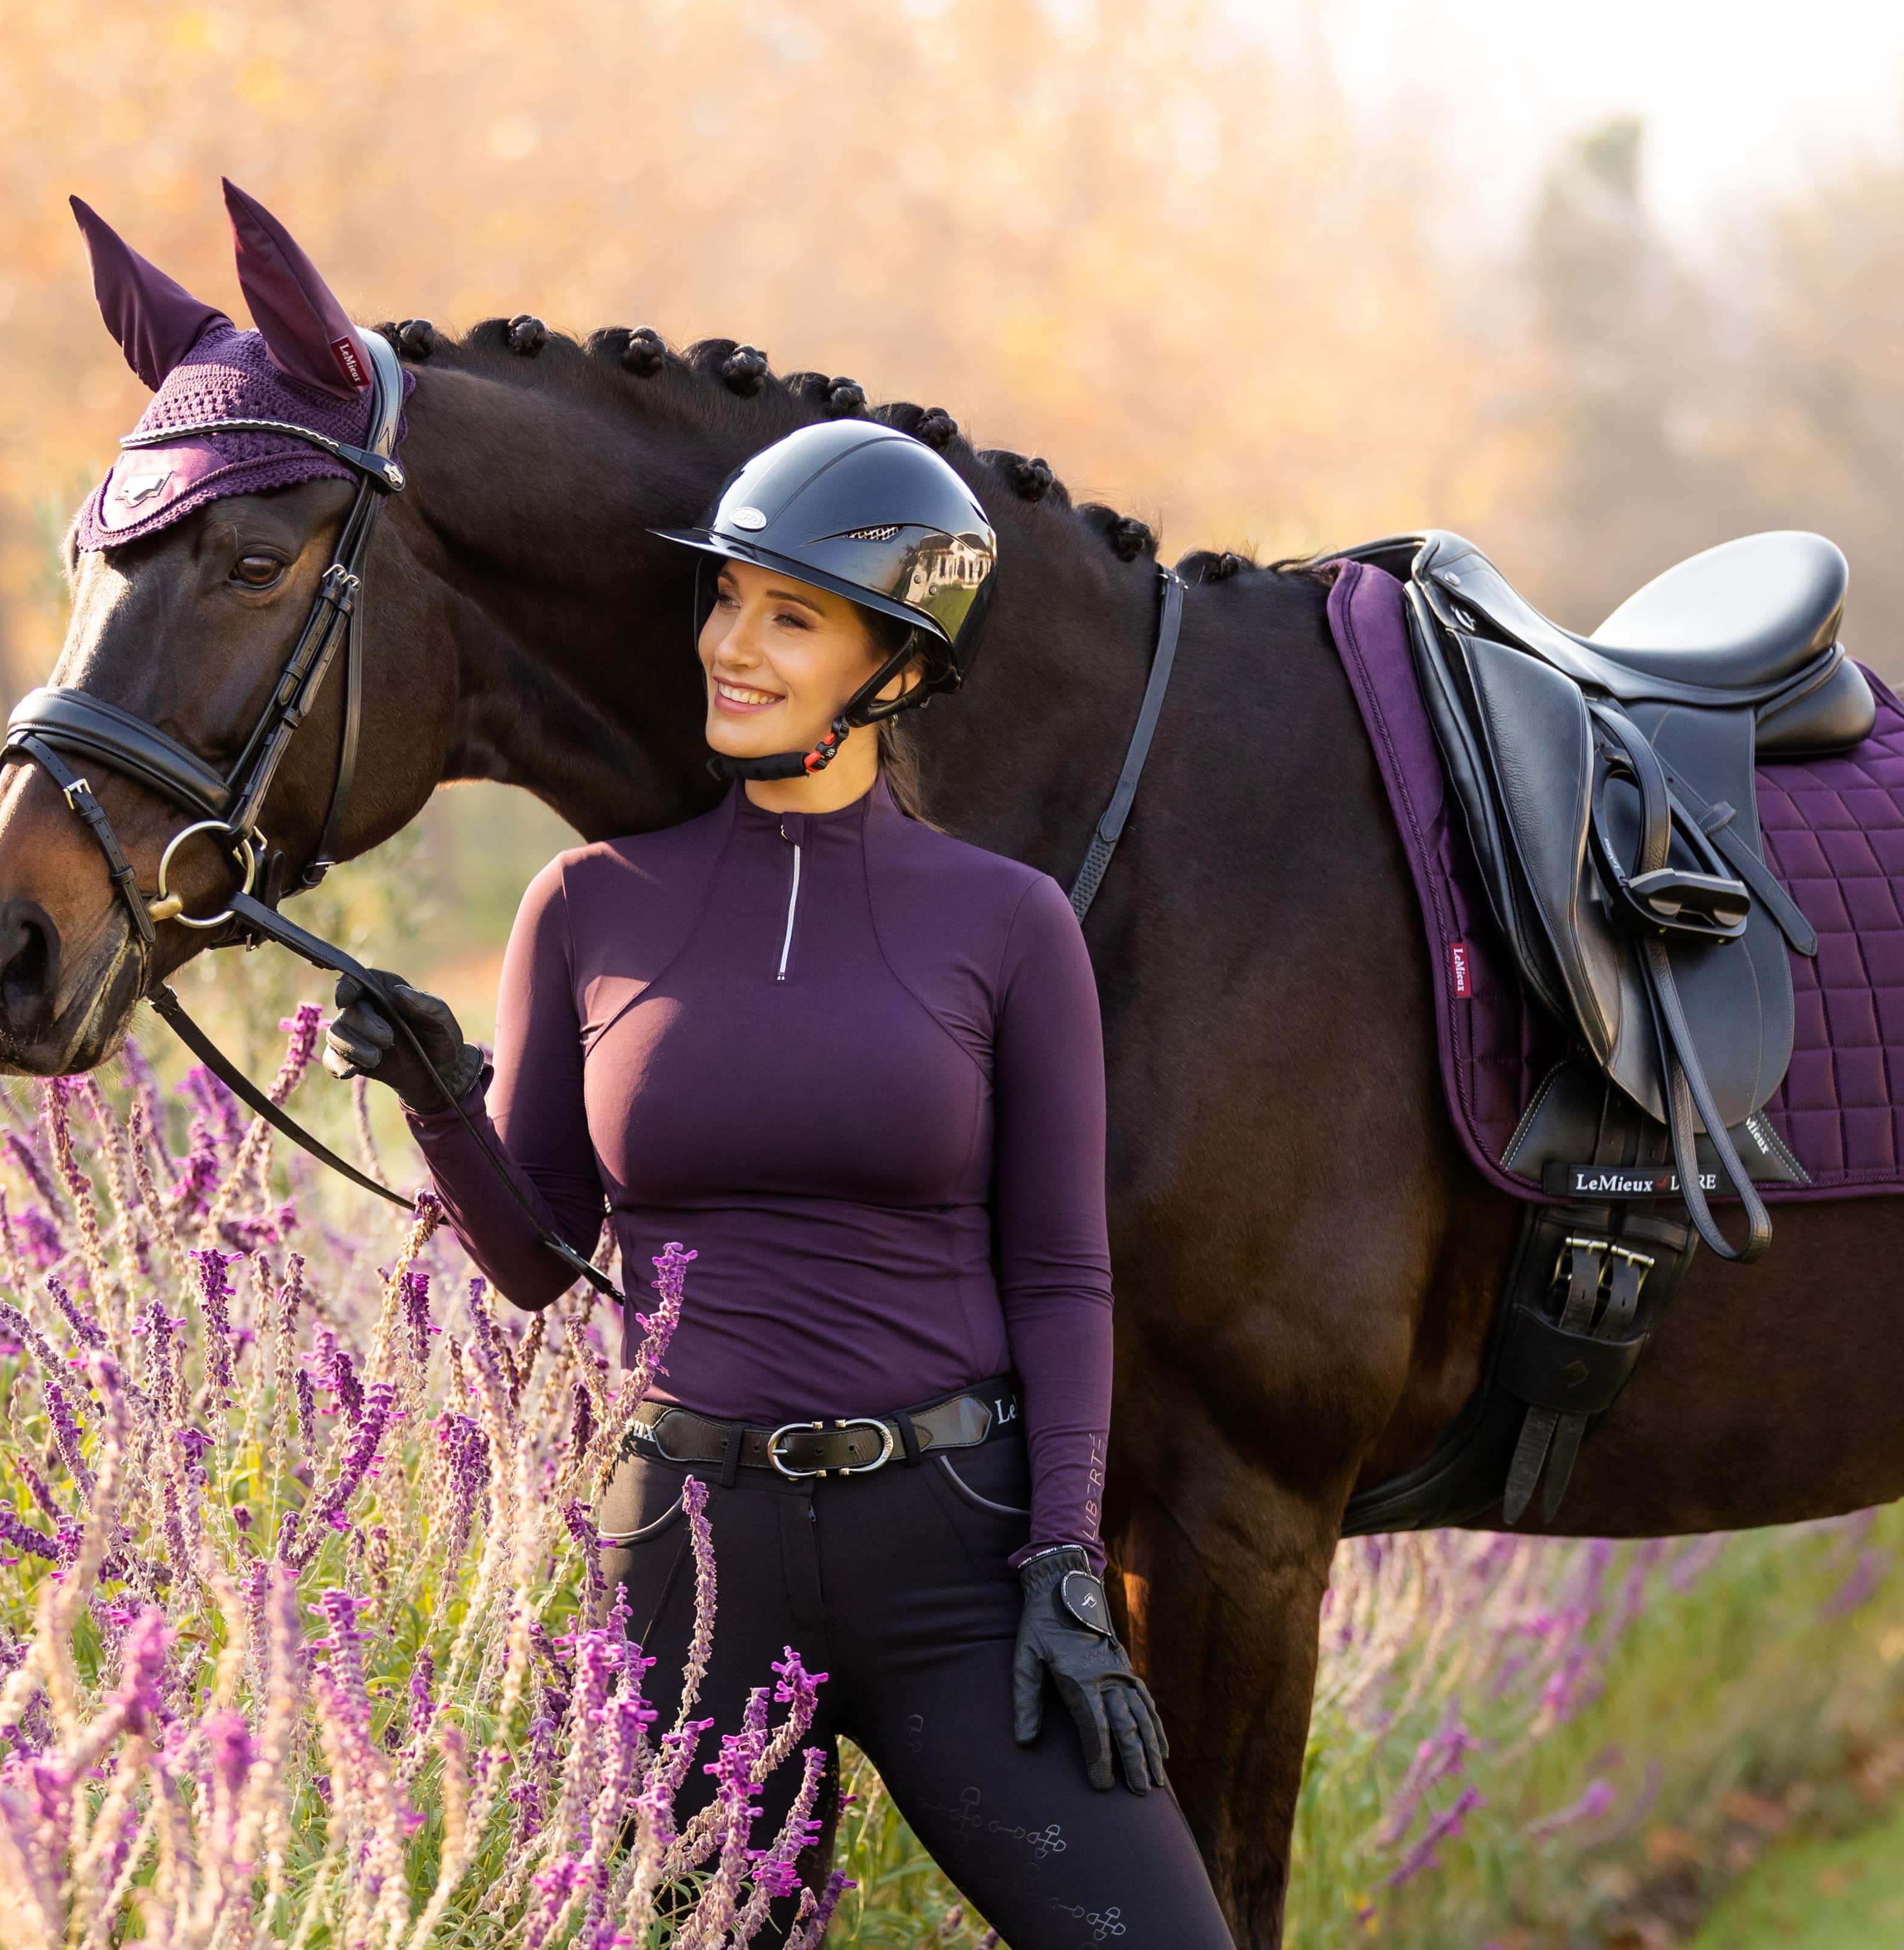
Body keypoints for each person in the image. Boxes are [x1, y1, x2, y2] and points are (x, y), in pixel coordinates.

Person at [326, 421, 1232, 1946]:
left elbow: (1064, 1276)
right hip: (683, 1558)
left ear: (896, 664)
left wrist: (1065, 1563)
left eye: (789, 616)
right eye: (725, 600)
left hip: (958, 1552)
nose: (729, 647)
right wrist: (439, 1103)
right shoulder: (589, 903)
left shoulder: (1006, 925)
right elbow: (547, 1255)